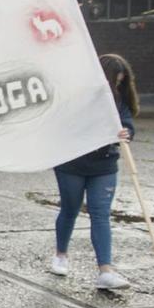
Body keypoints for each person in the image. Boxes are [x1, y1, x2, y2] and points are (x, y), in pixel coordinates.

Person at [50, 54, 137, 290]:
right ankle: (60, 254)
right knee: (70, 209)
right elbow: (65, 125)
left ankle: (105, 271)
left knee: (101, 214)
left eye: (121, 83)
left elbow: (127, 122)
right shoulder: (77, 96)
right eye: (114, 82)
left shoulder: (119, 99)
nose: (117, 87)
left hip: (105, 164)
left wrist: (126, 131)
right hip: (73, 164)